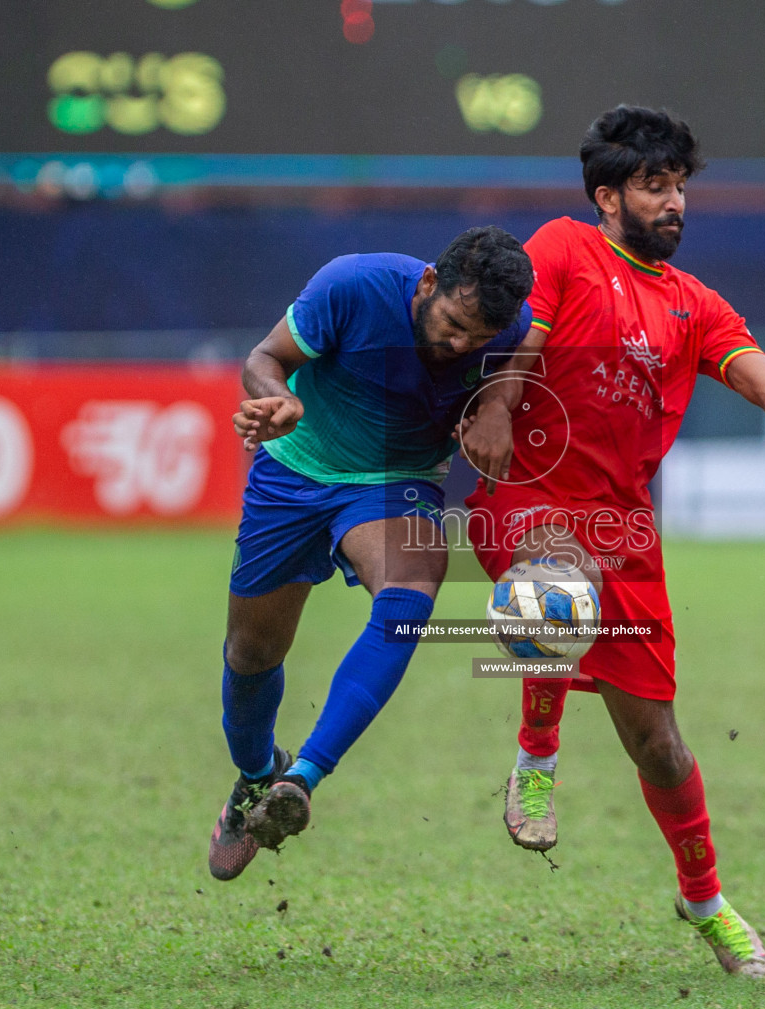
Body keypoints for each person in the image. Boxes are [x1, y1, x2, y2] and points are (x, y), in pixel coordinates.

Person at [459, 106, 765, 976]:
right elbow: (520, 344)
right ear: (608, 197)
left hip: (627, 534)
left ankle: (705, 900)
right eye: (654, 186)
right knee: (556, 575)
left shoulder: (696, 305)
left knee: (662, 746)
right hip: (525, 496)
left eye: (680, 185)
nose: (674, 200)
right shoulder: (564, 248)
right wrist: (494, 407)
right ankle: (537, 752)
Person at [207, 226, 534, 882]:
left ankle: (302, 779)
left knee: (416, 583)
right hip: (295, 470)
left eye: (478, 337)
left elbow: (523, 352)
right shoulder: (351, 284)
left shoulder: (509, 325)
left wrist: (499, 400)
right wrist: (278, 397)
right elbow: (263, 359)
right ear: (428, 285)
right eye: (454, 324)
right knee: (251, 656)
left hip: (396, 481)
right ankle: (256, 778)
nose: (462, 345)